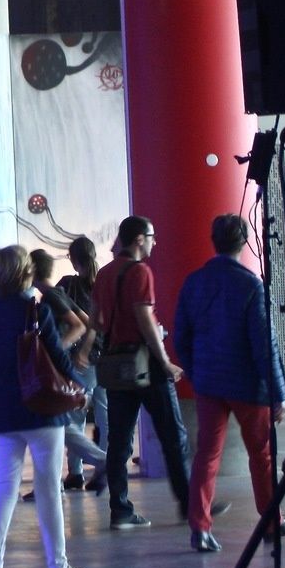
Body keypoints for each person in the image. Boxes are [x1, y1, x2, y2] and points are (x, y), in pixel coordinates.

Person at [175, 213, 285, 553]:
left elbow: (181, 337)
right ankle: (271, 521)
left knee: (206, 456)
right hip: (248, 386)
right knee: (261, 455)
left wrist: (197, 373)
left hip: (209, 385)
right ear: (244, 242)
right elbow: (264, 344)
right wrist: (278, 393)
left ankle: (200, 528)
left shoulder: (193, 283)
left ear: (214, 241)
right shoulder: (250, 285)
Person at [0, 246, 86, 568]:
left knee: (5, 489)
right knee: (49, 488)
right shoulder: (35, 311)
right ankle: (58, 566)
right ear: (25, 273)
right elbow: (58, 358)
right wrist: (80, 388)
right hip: (41, 411)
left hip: (3, 414)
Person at [78, 215, 195, 531]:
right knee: (173, 436)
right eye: (152, 236)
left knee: (119, 440)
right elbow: (145, 319)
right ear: (140, 239)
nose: (155, 242)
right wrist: (165, 360)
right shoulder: (141, 271)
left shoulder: (104, 273)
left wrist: (94, 343)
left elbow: (96, 321)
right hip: (147, 363)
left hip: (116, 364)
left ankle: (120, 510)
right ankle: (190, 505)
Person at [30, 248, 105, 493]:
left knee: (64, 422)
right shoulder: (58, 292)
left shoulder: (52, 295)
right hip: (87, 362)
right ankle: (76, 473)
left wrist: (55, 351)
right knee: (67, 422)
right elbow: (87, 321)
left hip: (76, 365)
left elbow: (81, 325)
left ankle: (87, 468)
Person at [57, 236, 107, 492]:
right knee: (105, 416)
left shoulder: (67, 285)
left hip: (81, 359)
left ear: (74, 259)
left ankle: (75, 472)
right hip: (106, 358)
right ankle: (106, 468)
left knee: (75, 416)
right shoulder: (104, 284)